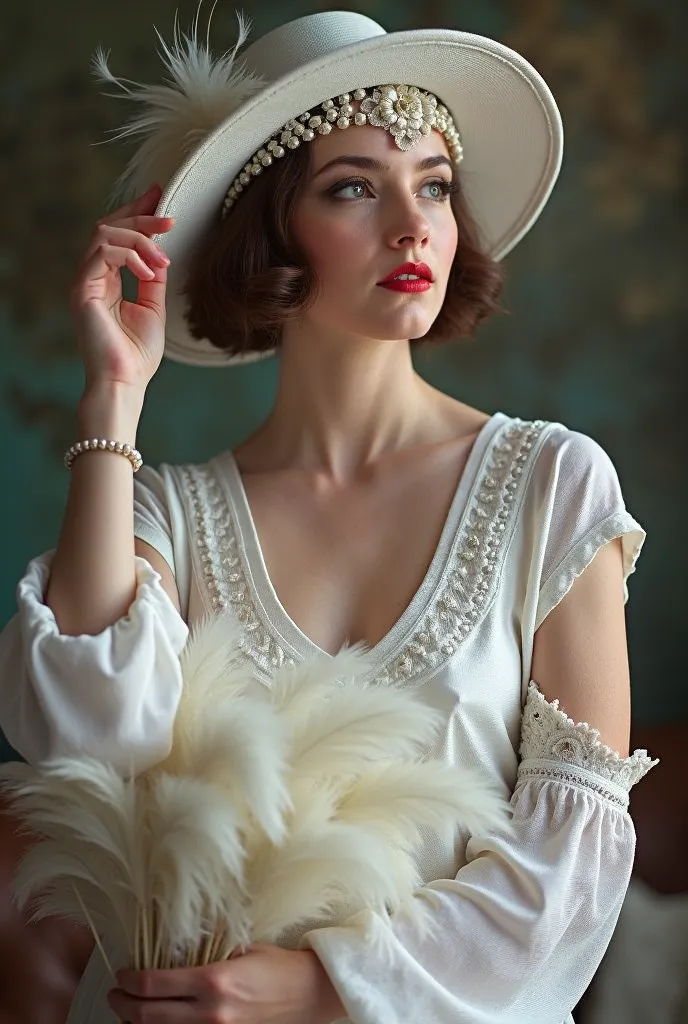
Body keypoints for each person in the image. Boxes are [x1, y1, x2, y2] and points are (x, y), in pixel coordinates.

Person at [0, 8, 659, 1024]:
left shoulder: (554, 486)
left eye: (433, 185)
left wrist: (322, 988)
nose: (412, 225)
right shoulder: (166, 514)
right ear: (270, 229)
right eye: (354, 186)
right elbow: (84, 737)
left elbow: (570, 871)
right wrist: (112, 402)